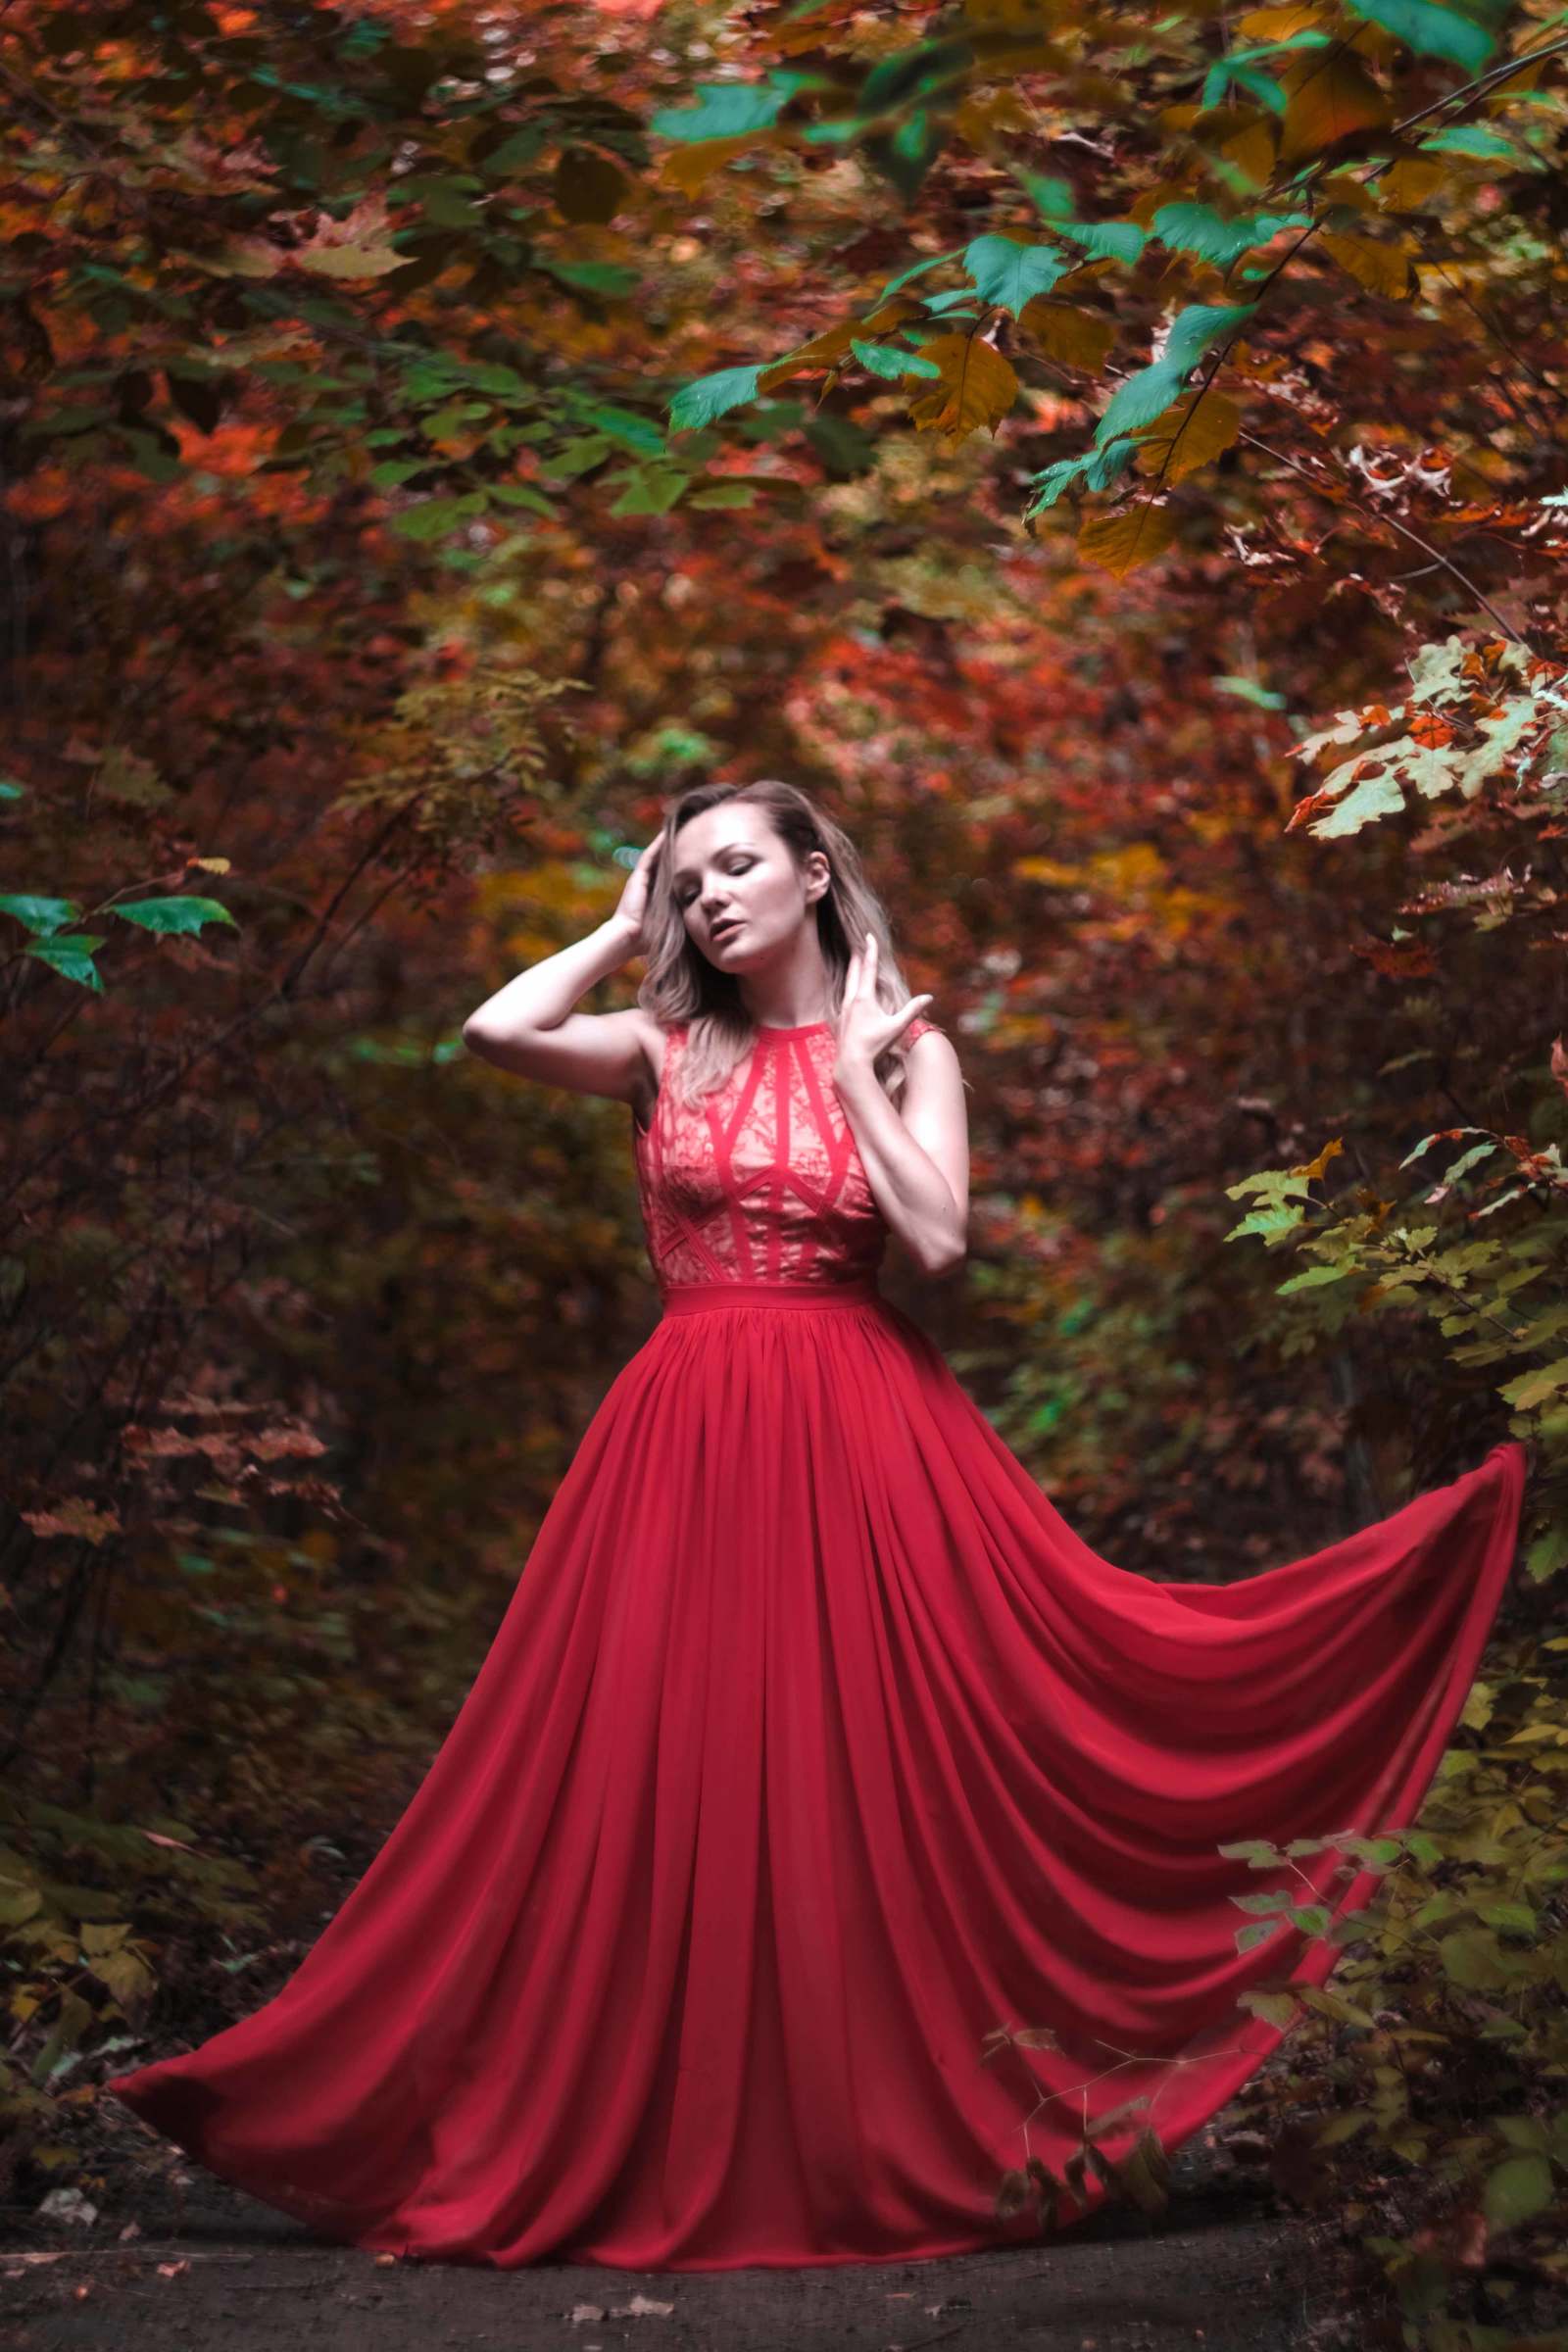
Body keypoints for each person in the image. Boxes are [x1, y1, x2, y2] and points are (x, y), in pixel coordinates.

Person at [106, 779, 1528, 2273]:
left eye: (738, 866)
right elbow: (492, 1033)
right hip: (683, 1438)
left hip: (861, 1433)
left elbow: (937, 1237)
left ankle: (860, 2134)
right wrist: (612, 918)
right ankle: (662, 2125)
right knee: (679, 1763)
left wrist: (854, 1068)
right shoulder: (665, 1049)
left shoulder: (916, 1051)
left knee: (869, 1770)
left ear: (814, 881)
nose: (712, 896)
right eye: (688, 878)